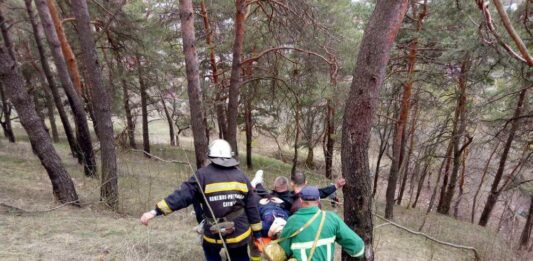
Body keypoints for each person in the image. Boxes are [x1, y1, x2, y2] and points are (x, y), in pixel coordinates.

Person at [140, 139, 262, 261]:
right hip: (239, 232)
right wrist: (257, 234)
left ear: (210, 156)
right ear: (230, 156)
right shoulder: (241, 176)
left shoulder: (202, 175)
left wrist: (155, 211)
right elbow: (251, 207)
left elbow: (182, 195)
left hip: (213, 230)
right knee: (240, 256)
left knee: (211, 253)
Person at [279, 186, 365, 261]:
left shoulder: (292, 221)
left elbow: (283, 252)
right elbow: (358, 247)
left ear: (301, 200)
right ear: (319, 200)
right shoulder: (331, 218)